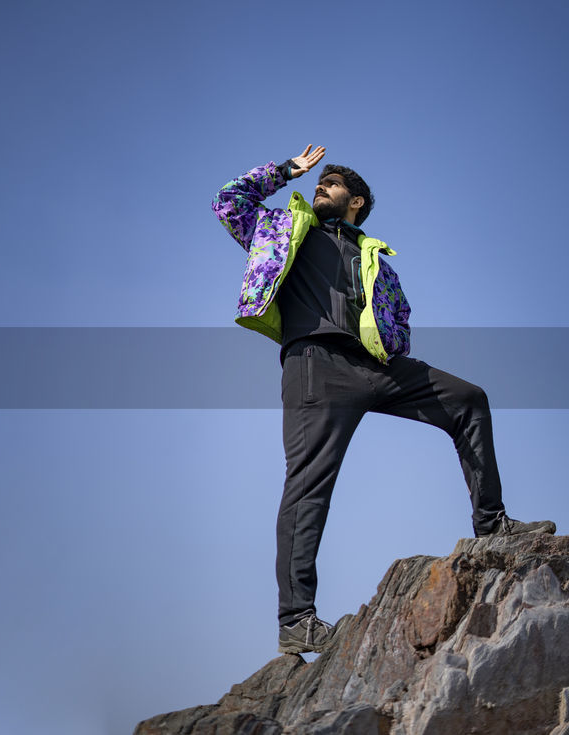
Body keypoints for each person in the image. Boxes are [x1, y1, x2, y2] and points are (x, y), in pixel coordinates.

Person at [211, 145, 557, 655]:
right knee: (308, 488)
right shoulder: (284, 230)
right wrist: (285, 171)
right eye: (318, 181)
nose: (319, 186)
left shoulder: (375, 257)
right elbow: (228, 201)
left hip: (377, 366)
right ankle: (296, 619)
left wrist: (391, 350)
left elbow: (399, 317)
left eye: (330, 182)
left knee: (469, 400)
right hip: (316, 367)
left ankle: (492, 524)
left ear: (357, 201)